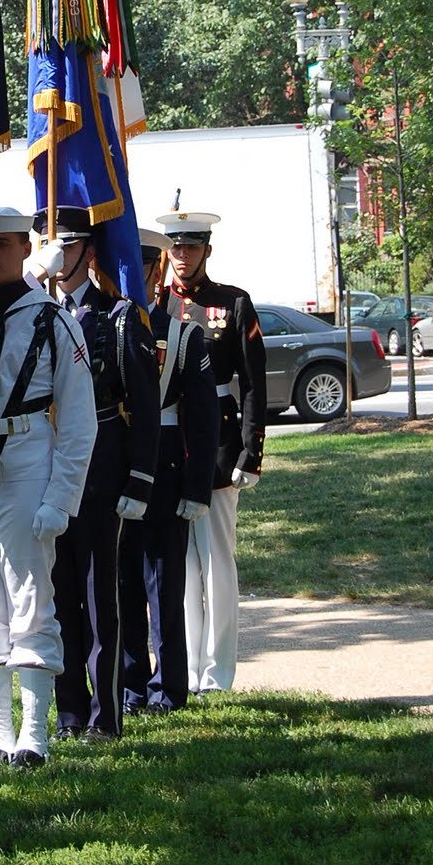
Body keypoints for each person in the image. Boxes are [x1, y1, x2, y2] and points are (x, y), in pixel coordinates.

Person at [0, 208, 97, 768]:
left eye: (4, 244)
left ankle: (34, 732)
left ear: (25, 248)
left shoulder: (54, 320)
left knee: (31, 598)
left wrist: (62, 496)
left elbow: (80, 418)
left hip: (27, 458)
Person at [31, 208, 159, 740]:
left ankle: (105, 714)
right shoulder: (34, 314)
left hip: (101, 468)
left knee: (98, 592)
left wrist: (138, 479)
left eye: (68, 246)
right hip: (43, 465)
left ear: (88, 251)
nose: (58, 256)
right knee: (57, 595)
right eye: (50, 246)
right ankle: (68, 711)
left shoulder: (118, 317)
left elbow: (144, 407)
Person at [156, 210, 266, 694]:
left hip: (218, 443)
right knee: (180, 564)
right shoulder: (156, 303)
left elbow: (253, 383)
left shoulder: (232, 303)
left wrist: (250, 450)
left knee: (218, 561)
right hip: (169, 443)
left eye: (191, 247)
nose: (182, 256)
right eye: (175, 248)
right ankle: (184, 664)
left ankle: (217, 672)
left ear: (206, 251)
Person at [119, 229, 219, 715]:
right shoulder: (101, 327)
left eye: (139, 269)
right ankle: (130, 685)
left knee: (164, 585)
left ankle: (169, 687)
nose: (130, 278)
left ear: (156, 273)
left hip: (164, 472)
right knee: (121, 586)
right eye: (123, 267)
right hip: (115, 473)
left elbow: (203, 420)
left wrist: (198, 488)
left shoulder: (182, 333)